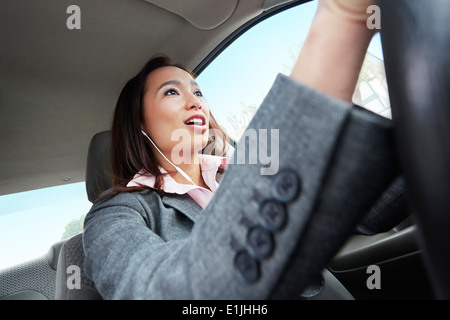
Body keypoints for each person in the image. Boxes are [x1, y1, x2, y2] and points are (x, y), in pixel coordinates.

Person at [83, 0, 398, 299]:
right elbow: (164, 293)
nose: (196, 101)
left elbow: (359, 208)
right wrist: (343, 19)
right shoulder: (115, 215)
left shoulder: (239, 168)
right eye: (171, 92)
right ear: (140, 124)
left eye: (198, 91)